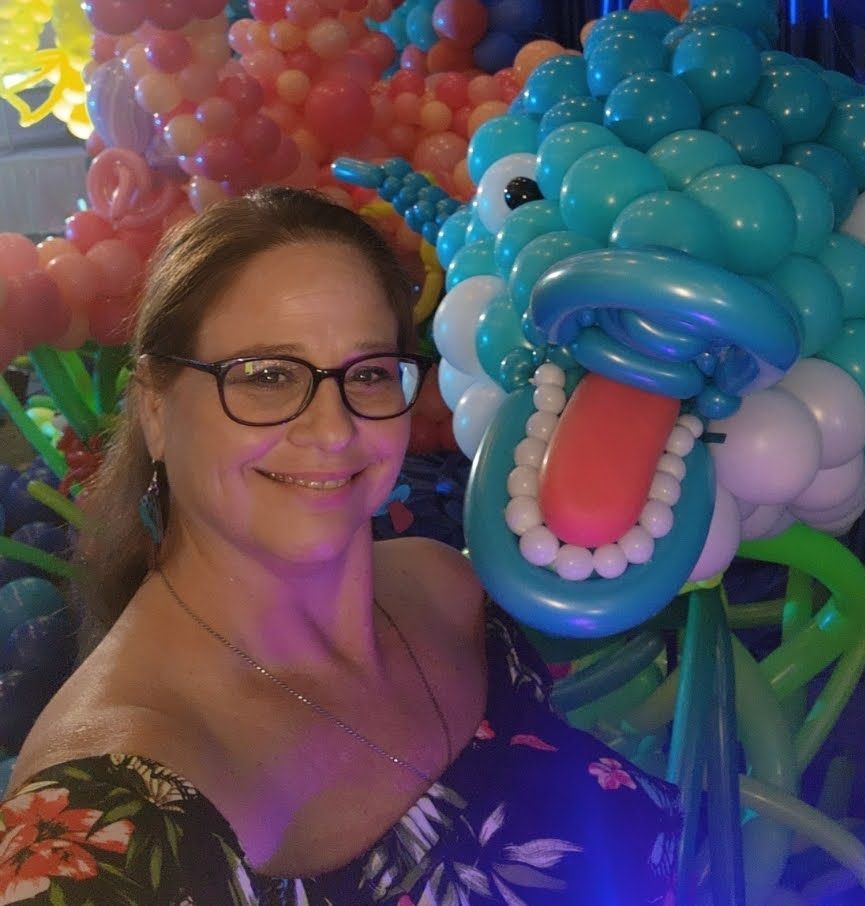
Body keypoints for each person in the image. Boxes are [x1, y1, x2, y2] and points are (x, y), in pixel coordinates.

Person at [1, 187, 682, 904]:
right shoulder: (110, 813)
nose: (332, 430)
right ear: (155, 410)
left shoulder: (443, 590)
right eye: (265, 376)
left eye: (367, 374)